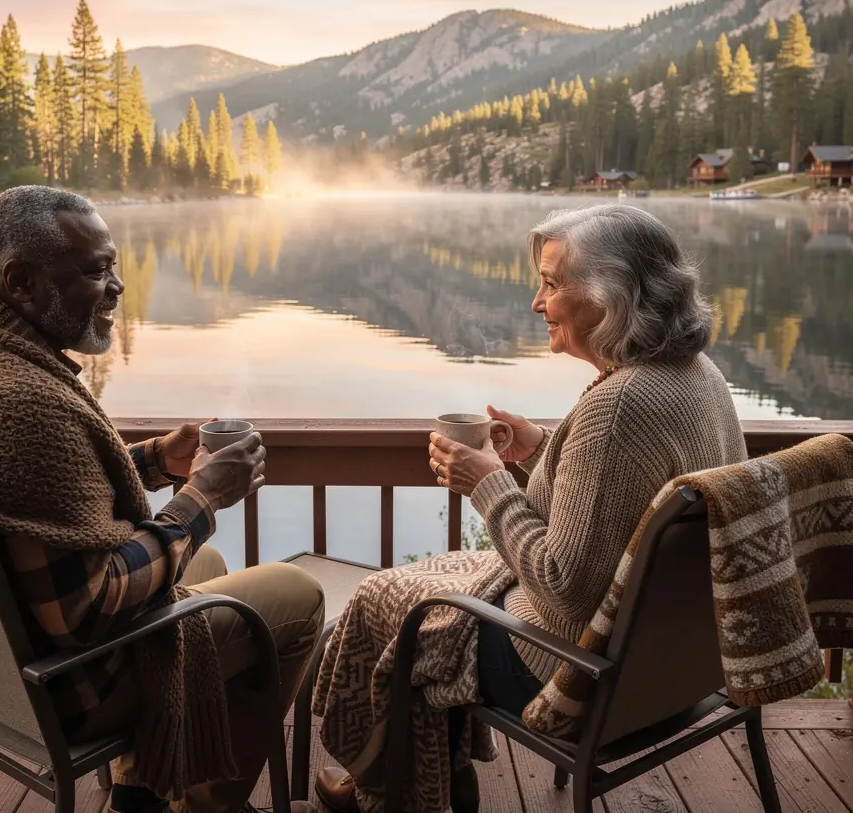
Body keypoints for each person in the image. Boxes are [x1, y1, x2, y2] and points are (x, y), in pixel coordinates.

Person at [0, 186, 323, 813]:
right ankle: (208, 806)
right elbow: (84, 611)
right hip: (56, 685)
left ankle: (138, 792)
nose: (118, 286)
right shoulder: (24, 403)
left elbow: (19, 495)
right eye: (96, 269)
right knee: (295, 597)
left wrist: (152, 461)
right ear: (21, 282)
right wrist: (201, 499)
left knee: (202, 572)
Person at [314, 204, 747, 813]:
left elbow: (564, 587)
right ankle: (425, 778)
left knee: (394, 608)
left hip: (575, 673)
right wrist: (541, 451)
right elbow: (621, 503)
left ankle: (386, 790)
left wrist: (488, 486)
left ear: (611, 294)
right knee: (422, 602)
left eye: (550, 283)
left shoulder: (619, 405)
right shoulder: (696, 374)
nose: (536, 304)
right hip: (678, 668)